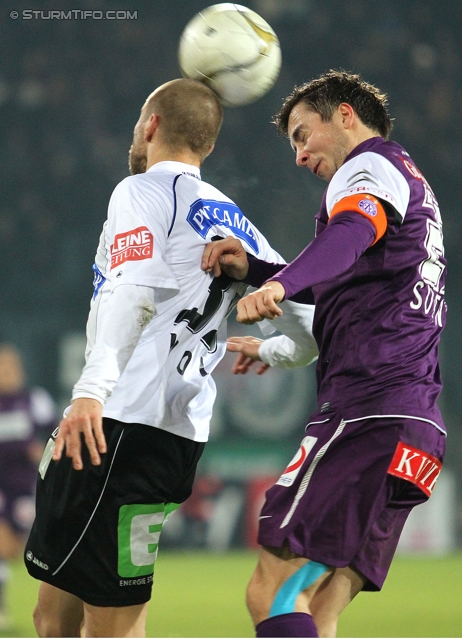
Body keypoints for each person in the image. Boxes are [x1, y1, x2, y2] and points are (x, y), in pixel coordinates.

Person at [24, 77, 318, 638]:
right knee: (53, 617)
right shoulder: (237, 221)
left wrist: (90, 390)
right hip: (173, 435)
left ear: (151, 125)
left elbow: (134, 288)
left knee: (109, 624)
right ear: (206, 145)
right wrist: (276, 351)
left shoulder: (140, 192)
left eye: (140, 121)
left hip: (118, 425)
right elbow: (310, 321)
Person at [202, 70, 447, 638]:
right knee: (317, 609)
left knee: (272, 592)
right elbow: (346, 276)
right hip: (416, 429)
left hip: (367, 411)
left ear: (344, 115)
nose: (298, 154)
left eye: (301, 133)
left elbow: (348, 236)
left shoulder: (370, 166)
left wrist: (279, 287)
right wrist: (261, 271)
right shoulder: (411, 184)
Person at [0, 344, 56, 630]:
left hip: (25, 486)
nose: (7, 373)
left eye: (11, 367)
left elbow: (56, 429)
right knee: (1, 543)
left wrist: (42, 450)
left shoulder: (33, 399)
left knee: (11, 550)